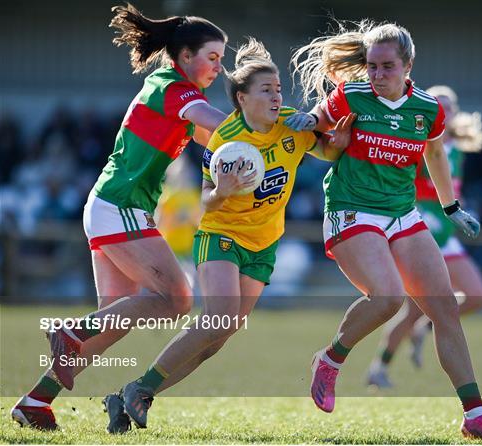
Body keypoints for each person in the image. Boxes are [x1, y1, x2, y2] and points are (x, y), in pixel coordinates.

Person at [103, 37, 355, 432]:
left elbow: (326, 152)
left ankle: (131, 393)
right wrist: (222, 189)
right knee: (218, 319)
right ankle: (142, 388)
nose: (276, 97)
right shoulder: (226, 139)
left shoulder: (289, 124)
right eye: (266, 91)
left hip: (264, 244)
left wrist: (336, 144)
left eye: (278, 90)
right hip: (221, 235)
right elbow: (208, 202)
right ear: (241, 98)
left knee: (216, 342)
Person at [285, 19, 482, 442]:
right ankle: (330, 360)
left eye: (387, 66)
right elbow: (320, 131)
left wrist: (452, 207)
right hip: (352, 211)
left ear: (408, 65)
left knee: (444, 311)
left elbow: (435, 155)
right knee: (388, 298)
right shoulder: (352, 95)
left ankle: (475, 415)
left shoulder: (428, 108)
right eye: (372, 66)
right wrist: (309, 124)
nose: (377, 75)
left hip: (404, 214)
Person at [11, 3, 228, 431]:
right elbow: (222, 128)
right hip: (121, 206)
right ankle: (70, 329)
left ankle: (36, 401)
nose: (219, 68)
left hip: (111, 206)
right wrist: (275, 125)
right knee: (177, 299)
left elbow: (215, 141)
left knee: (111, 325)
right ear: (185, 57)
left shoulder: (170, 89)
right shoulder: (175, 88)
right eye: (213, 57)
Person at [367, 85, 482, 387]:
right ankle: (379, 368)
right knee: (409, 309)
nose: (444, 111)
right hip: (422, 232)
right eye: (439, 105)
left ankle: (424, 327)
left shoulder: (457, 149)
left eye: (450, 106)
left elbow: (452, 190)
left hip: (447, 235)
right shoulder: (418, 144)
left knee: (475, 296)